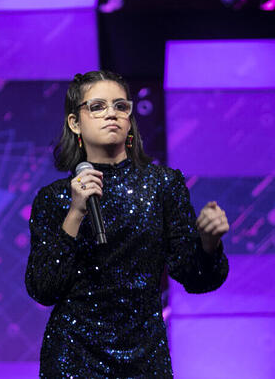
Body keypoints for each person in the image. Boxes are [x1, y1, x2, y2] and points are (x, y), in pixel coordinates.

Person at [24, 70, 229, 377]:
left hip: (144, 355)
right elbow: (42, 288)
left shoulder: (163, 185)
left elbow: (195, 278)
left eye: (121, 106)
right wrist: (76, 212)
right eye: (98, 106)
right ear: (74, 123)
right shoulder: (54, 198)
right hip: (73, 356)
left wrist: (208, 241)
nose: (112, 114)